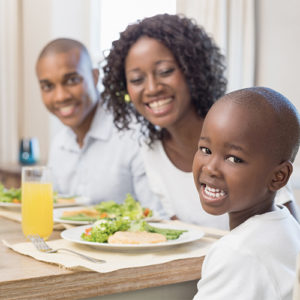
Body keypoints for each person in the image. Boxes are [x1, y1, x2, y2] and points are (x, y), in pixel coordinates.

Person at [101, 13, 298, 228]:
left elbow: (292, 242)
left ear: (193, 70)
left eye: (165, 71)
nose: (152, 88)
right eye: (137, 79)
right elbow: (183, 235)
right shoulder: (151, 152)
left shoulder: (242, 134)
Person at [35, 38, 165, 215]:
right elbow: (54, 211)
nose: (60, 96)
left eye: (72, 80)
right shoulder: (59, 143)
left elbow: (158, 217)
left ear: (95, 77)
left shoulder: (134, 133)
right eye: (48, 86)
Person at [192, 87, 300, 299]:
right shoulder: (289, 228)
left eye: (234, 159)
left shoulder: (237, 253)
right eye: (206, 150)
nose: (211, 168)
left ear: (278, 177)